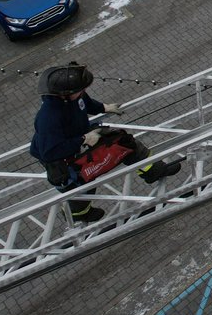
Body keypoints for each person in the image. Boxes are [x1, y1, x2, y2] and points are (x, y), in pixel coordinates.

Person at [30, 63, 181, 223]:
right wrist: (83, 140)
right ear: (65, 94)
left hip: (82, 137)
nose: (83, 92)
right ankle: (79, 213)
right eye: (80, 90)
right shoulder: (48, 117)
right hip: (60, 157)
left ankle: (153, 170)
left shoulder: (74, 96)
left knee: (124, 142)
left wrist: (103, 108)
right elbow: (50, 152)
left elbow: (85, 103)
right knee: (81, 182)